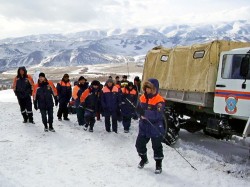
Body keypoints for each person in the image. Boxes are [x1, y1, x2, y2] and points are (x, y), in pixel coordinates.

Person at [135, 78, 165, 174]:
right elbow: (138, 109)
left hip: (155, 127)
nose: (147, 90)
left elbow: (158, 115)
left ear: (154, 89)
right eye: (146, 88)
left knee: (157, 146)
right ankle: (144, 159)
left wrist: (145, 113)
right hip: (143, 126)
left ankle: (158, 164)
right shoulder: (142, 97)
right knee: (139, 145)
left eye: (149, 88)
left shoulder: (160, 100)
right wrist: (139, 113)